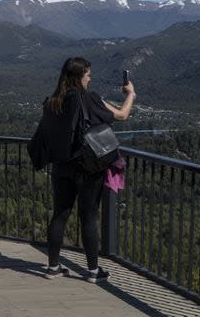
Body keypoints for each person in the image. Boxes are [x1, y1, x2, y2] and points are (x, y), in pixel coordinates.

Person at [41, 57, 135, 283]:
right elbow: (121, 115)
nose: (90, 78)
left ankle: (53, 266)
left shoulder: (54, 101)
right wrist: (130, 94)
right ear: (79, 76)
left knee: (60, 214)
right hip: (87, 167)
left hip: (61, 166)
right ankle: (93, 271)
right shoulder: (89, 99)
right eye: (87, 74)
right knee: (88, 218)